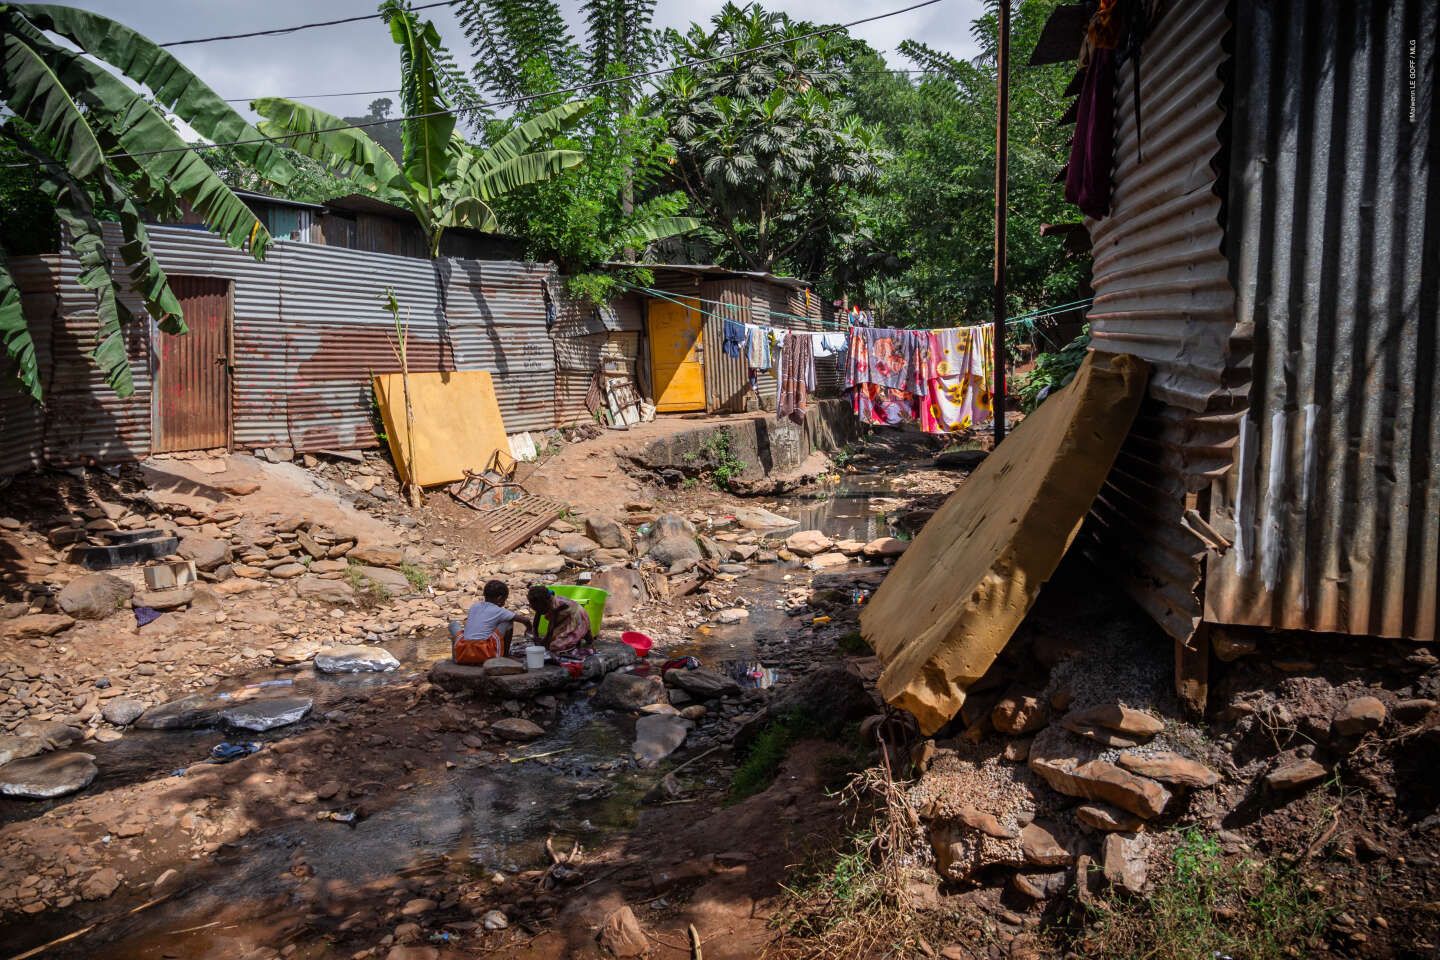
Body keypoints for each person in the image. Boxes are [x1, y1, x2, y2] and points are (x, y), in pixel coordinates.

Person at [450, 580, 530, 665]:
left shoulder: (474, 606)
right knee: (508, 621)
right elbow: (526, 620)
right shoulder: (500, 611)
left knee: (453, 625)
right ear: (499, 598)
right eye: (504, 599)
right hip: (486, 654)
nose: (504, 602)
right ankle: (505, 655)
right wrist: (530, 629)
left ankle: (455, 655)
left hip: (463, 653)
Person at [526, 584, 592, 656]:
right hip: (569, 618)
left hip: (578, 619)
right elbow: (536, 623)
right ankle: (585, 637)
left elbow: (550, 630)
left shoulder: (555, 607)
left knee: (555, 646)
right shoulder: (542, 602)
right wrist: (535, 636)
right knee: (551, 640)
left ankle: (580, 642)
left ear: (545, 603)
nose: (537, 610)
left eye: (538, 608)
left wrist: (543, 643)